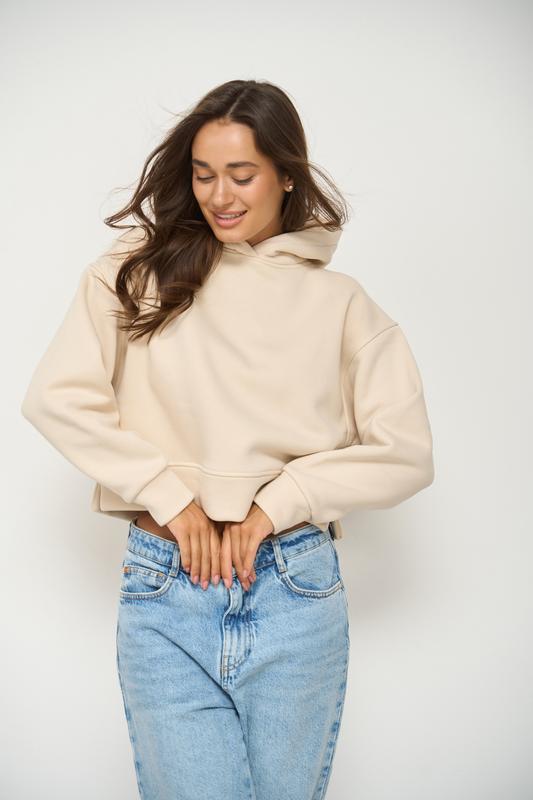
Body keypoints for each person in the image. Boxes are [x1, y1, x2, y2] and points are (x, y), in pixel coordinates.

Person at [20, 79, 435, 799]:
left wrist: (280, 501)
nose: (220, 196)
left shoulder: (342, 304)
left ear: (285, 175)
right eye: (203, 174)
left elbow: (406, 452)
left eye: (241, 175)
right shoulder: (135, 274)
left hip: (293, 585)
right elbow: (56, 398)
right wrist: (169, 496)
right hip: (166, 582)